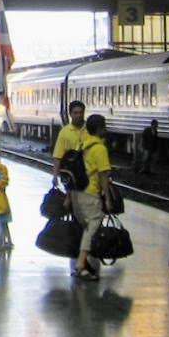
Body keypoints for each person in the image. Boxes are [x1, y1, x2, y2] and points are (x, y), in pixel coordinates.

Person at [71, 113, 114, 280]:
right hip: (90, 192)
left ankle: (83, 261)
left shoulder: (83, 145)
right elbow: (104, 175)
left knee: (85, 227)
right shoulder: (100, 148)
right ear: (101, 128)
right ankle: (80, 264)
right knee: (93, 225)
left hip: (77, 192)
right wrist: (108, 198)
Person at [52, 100, 86, 182]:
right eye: (75, 113)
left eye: (81, 113)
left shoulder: (90, 129)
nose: (79, 115)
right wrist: (55, 176)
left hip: (88, 172)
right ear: (70, 114)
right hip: (72, 173)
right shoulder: (64, 132)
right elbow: (58, 156)